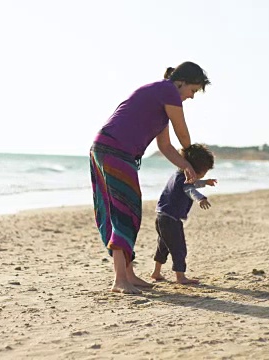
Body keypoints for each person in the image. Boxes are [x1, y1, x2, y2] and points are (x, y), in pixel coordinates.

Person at [90, 62, 211, 294]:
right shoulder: (167, 91)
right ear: (181, 82)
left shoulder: (161, 104)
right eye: (193, 91)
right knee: (123, 212)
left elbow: (165, 146)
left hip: (110, 150)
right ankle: (119, 280)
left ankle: (128, 274)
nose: (192, 97)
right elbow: (182, 132)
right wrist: (194, 157)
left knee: (129, 211)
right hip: (113, 151)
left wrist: (186, 165)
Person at [150, 144, 216, 285]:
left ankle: (156, 272)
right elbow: (190, 189)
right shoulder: (185, 180)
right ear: (194, 169)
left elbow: (191, 184)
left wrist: (205, 182)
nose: (203, 175)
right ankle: (180, 277)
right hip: (172, 220)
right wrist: (200, 198)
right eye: (203, 173)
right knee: (179, 248)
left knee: (163, 246)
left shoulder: (178, 175)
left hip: (161, 216)